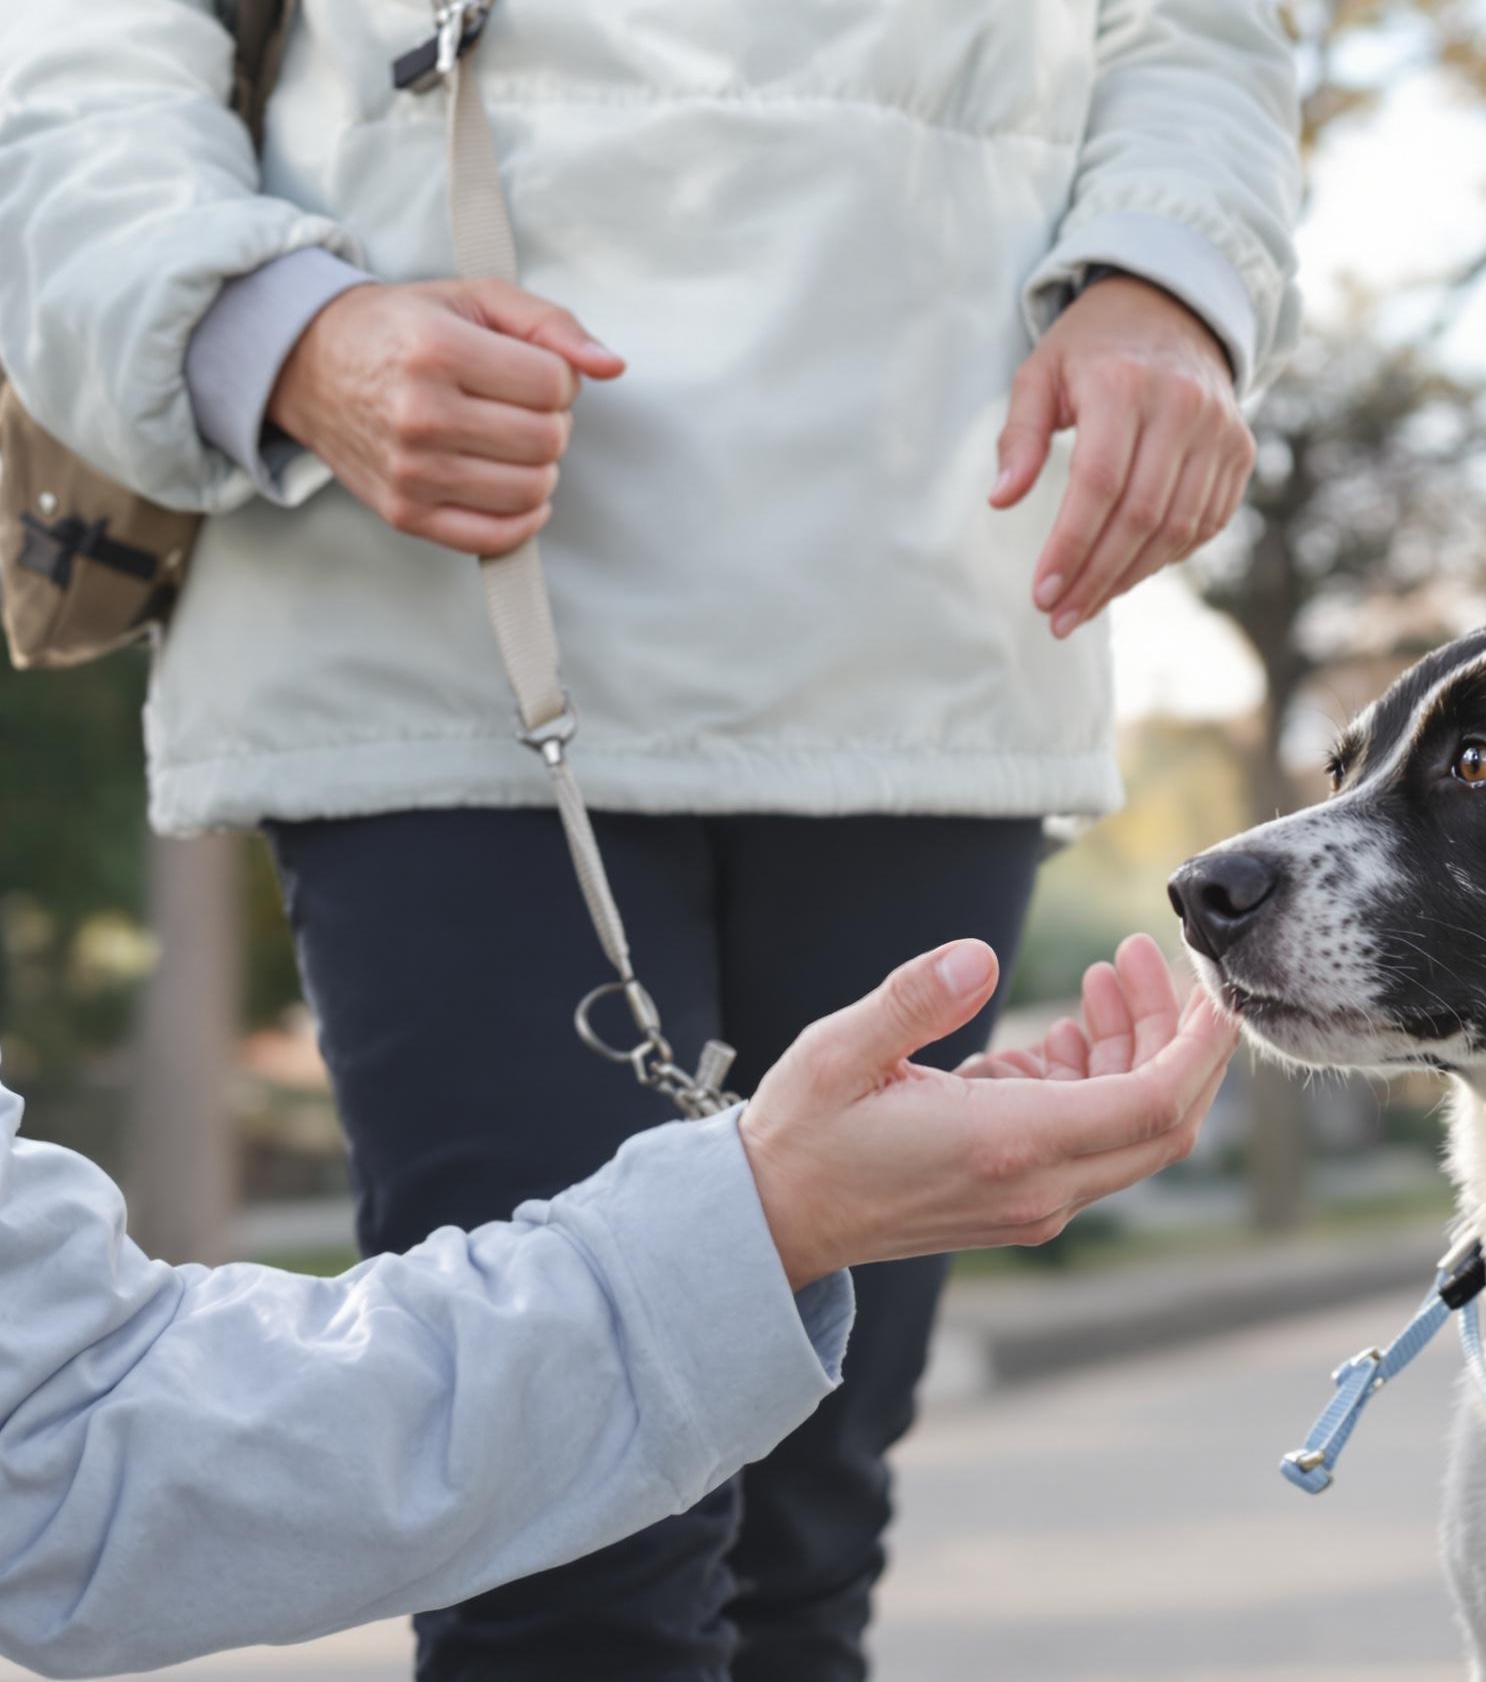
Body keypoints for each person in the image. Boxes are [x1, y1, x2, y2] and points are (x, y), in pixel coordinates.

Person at [0, 2, 1300, 1677]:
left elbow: (1200, 32)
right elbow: (78, 67)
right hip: (433, 638)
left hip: (918, 625)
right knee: (559, 1563)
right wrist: (278, 331)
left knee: (806, 1525)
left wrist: (1170, 283)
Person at [0, 934, 1237, 1679]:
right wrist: (772, 1209)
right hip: (415, 713)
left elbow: (73, 1420)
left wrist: (771, 1208)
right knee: (574, 1614)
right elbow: (70, 1440)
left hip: (917, 694)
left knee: (803, 1563)